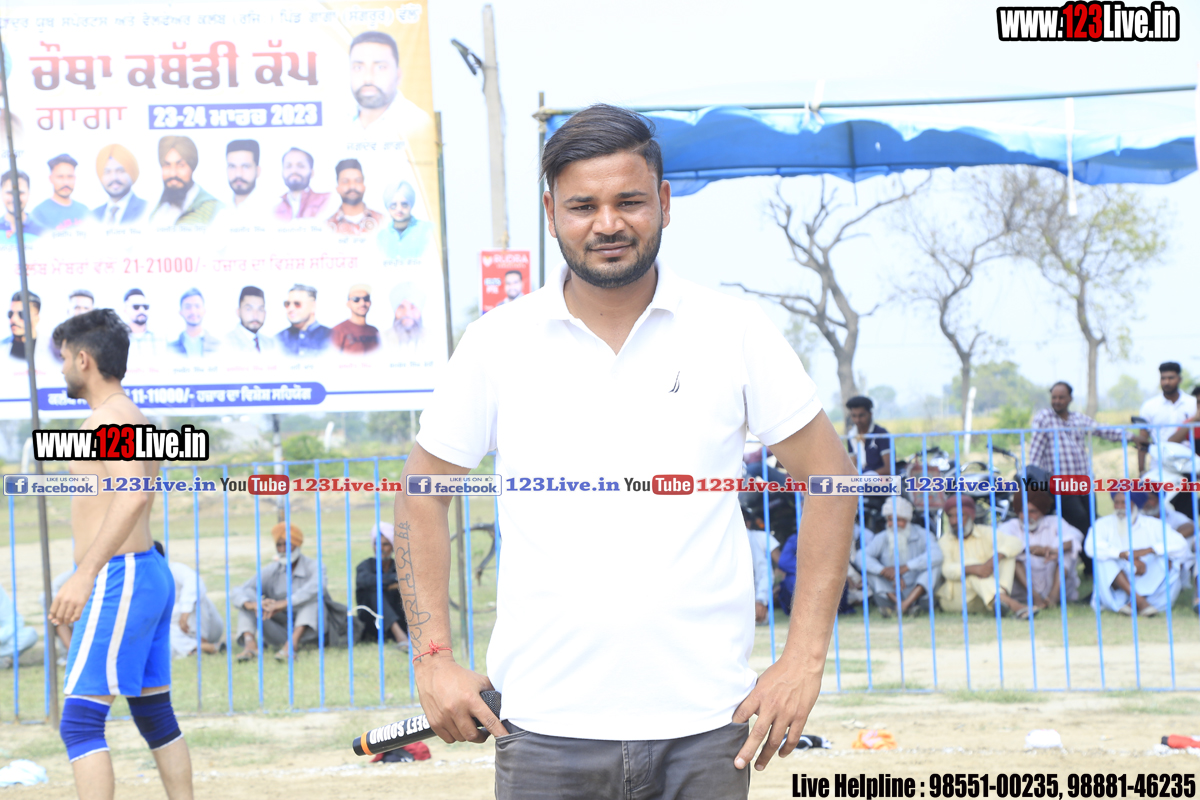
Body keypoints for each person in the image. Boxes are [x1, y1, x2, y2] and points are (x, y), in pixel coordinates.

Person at [398, 104, 857, 798]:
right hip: (544, 730)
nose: (607, 223)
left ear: (664, 203)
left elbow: (831, 480)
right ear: (550, 213)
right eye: (583, 206)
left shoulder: (732, 331)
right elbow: (420, 494)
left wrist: (804, 660)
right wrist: (433, 659)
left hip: (709, 727)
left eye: (629, 201)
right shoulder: (498, 342)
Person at [46, 308, 194, 800]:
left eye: (64, 358)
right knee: (154, 714)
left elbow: (134, 495)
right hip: (137, 572)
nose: (61, 368)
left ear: (83, 360)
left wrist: (85, 573)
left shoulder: (112, 418)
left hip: (120, 576)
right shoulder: (127, 417)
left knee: (79, 722)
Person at [1028, 381, 1125, 540]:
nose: (1057, 401)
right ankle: (1080, 552)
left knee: (1091, 519)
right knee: (1079, 519)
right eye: (1054, 397)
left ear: (1070, 399)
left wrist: (1130, 436)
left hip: (1084, 481)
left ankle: (1090, 555)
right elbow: (1036, 451)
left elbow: (1102, 430)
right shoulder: (1044, 418)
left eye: (1061, 397)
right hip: (1060, 483)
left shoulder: (1078, 418)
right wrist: (1032, 478)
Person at [1085, 491, 1189, 616]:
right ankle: (1140, 602)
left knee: (1168, 560)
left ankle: (1134, 603)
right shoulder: (1103, 524)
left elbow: (1181, 545)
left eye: (1124, 503)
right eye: (1116, 503)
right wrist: (1123, 555)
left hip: (1147, 578)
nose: (1119, 507)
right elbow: (1090, 547)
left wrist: (1149, 550)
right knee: (1103, 560)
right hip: (1117, 584)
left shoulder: (1153, 525)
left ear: (1135, 504)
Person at [233, 523, 325, 662]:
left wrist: (285, 603)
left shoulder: (314, 566)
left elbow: (318, 586)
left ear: (297, 544)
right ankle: (250, 645)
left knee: (313, 598)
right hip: (280, 631)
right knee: (248, 596)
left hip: (311, 631)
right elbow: (238, 590)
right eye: (279, 545)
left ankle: (291, 647)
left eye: (287, 545)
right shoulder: (273, 569)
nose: (283, 550)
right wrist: (251, 605)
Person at [937, 495, 1035, 618]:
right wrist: (975, 569)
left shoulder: (985, 532)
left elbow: (1015, 542)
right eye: (950, 516)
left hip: (984, 597)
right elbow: (946, 569)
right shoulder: (945, 541)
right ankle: (1012, 605)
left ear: (971, 516)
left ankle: (1000, 599)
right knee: (971, 570)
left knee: (1007, 554)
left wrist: (993, 560)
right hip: (957, 600)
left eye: (959, 515)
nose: (954, 521)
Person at [1000, 490, 1085, 609]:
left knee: (1067, 552)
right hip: (1023, 593)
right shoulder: (1010, 526)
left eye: (1032, 511)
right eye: (1023, 511)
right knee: (1011, 555)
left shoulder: (1054, 522)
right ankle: (1034, 596)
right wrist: (1030, 549)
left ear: (1042, 511)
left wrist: (1055, 550)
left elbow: (1076, 536)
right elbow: (1001, 542)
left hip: (1056, 586)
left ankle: (1053, 596)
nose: (1027, 516)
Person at [862, 496, 943, 617]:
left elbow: (937, 554)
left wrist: (906, 568)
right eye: (890, 519)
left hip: (917, 591)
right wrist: (884, 571)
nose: (894, 524)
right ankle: (899, 604)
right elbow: (860, 557)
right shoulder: (882, 537)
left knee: (934, 567)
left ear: (907, 520)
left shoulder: (922, 534)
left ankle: (906, 605)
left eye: (899, 519)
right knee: (870, 570)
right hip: (891, 590)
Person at [348, 30, 433, 137]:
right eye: (358, 68)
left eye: (380, 67)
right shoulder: (336, 120)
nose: (368, 78)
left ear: (398, 75)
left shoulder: (419, 123)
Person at [354, 523, 409, 651]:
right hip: (372, 623)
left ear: (393, 546)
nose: (380, 548)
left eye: (385, 544)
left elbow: (410, 579)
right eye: (376, 544)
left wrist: (390, 582)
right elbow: (365, 581)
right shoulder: (364, 566)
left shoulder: (400, 566)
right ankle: (401, 638)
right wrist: (394, 582)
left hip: (400, 618)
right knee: (374, 590)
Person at [149, 136, 222, 227]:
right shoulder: (158, 208)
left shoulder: (213, 209)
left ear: (192, 167)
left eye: (181, 165)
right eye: (167, 165)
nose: (173, 173)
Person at [1137, 362, 1197, 473]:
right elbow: (1142, 440)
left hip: (1188, 466)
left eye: (1171, 378)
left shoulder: (1193, 404)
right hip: (1159, 467)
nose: (1166, 382)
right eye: (1163, 378)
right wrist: (1141, 471)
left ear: (1180, 379)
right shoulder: (1149, 406)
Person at [164, 548, 224, 658]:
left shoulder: (174, 568)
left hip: (208, 627)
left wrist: (185, 611)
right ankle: (201, 647)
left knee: (197, 598)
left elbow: (194, 582)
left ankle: (201, 643)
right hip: (179, 632)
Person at [91, 144, 146, 226]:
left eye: (120, 171)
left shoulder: (146, 210)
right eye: (107, 172)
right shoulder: (93, 215)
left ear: (131, 173)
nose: (114, 177)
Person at [30, 154, 88, 231]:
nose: (66, 182)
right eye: (60, 177)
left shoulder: (85, 211)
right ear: (50, 178)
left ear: (75, 178)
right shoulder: (39, 214)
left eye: (70, 176)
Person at [376, 180, 431, 258]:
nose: (399, 209)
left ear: (411, 205)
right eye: (393, 205)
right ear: (388, 207)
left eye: (404, 205)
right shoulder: (381, 236)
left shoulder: (427, 230)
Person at [274, 148, 331, 221]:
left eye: (300, 166)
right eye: (288, 166)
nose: (294, 170)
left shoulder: (327, 201)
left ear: (312, 173)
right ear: (282, 173)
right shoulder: (274, 210)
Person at [327, 159, 382, 234]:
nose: (352, 186)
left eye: (358, 180)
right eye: (345, 181)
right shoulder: (328, 226)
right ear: (337, 188)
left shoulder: (382, 221)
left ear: (364, 186)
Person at [276, 284, 331, 356]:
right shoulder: (277, 340)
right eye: (287, 304)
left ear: (313, 305)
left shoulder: (333, 338)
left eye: (297, 303)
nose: (290, 308)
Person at [845, 396, 892, 475]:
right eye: (854, 416)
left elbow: (889, 468)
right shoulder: (851, 435)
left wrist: (867, 476)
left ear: (870, 414)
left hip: (880, 479)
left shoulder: (881, 434)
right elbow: (853, 464)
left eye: (861, 415)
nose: (857, 420)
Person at [168, 288, 219, 358]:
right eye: (188, 307)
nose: (193, 311)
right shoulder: (170, 349)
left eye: (197, 306)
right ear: (181, 312)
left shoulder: (219, 346)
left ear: (204, 311)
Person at [223, 286, 276, 354]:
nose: (255, 315)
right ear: (238, 312)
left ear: (265, 313)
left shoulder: (271, 343)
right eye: (249, 309)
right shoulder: (225, 343)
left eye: (260, 309)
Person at [381, 283, 429, 355]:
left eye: (413, 307)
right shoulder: (381, 340)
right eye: (401, 307)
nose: (407, 313)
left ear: (420, 311)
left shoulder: (434, 339)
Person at [331, 284, 379, 353]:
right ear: (348, 304)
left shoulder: (374, 331)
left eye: (366, 298)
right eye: (356, 299)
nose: (362, 303)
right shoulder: (338, 331)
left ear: (370, 302)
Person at [223, 139, 266, 215]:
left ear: (258, 171)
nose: (238, 174)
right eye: (232, 166)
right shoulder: (218, 209)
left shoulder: (273, 210)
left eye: (245, 166)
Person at [50, 290, 95, 362]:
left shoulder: (101, 337)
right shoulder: (58, 337)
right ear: (68, 311)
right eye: (77, 308)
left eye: (86, 308)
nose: (81, 312)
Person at [1, 170, 44, 242]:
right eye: (9, 193)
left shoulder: (43, 232)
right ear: (1, 194)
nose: (14, 198)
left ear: (28, 194)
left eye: (20, 193)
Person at [123, 289, 162, 361]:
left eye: (145, 306)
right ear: (125, 310)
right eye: (136, 307)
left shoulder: (161, 336)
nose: (142, 310)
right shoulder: (118, 337)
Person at [3, 291, 41, 361]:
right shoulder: (2, 347)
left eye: (22, 314)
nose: (14, 319)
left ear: (36, 318)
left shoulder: (54, 350)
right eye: (10, 314)